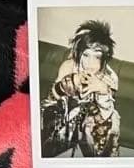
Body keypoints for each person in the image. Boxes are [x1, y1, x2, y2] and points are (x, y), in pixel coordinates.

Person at [40, 20, 121, 157]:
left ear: (104, 58)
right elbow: (51, 101)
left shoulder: (110, 77)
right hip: (66, 115)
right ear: (79, 53)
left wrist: (103, 92)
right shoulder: (68, 66)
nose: (90, 63)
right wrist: (69, 83)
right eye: (86, 55)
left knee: (111, 119)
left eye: (97, 57)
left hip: (92, 121)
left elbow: (106, 115)